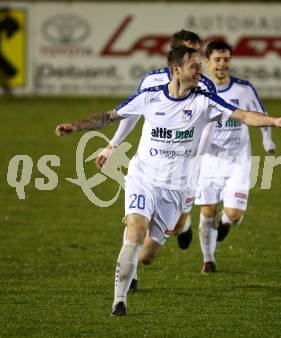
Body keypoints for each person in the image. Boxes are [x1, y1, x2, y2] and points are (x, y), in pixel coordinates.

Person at [55, 46, 281, 316]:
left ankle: (141, 255)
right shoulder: (150, 97)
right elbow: (110, 116)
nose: (200, 71)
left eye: (200, 66)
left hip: (176, 189)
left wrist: (273, 121)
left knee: (146, 257)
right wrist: (75, 127)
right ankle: (118, 301)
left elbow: (242, 115)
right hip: (143, 178)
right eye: (194, 66)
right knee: (134, 233)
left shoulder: (205, 101)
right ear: (176, 69)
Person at [56, 30, 215, 293]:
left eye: (199, 53)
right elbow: (129, 114)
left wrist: (200, 155)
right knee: (135, 219)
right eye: (192, 53)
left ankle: (184, 224)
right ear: (176, 57)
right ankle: (130, 275)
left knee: (174, 226)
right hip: (151, 164)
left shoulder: (203, 86)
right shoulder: (151, 83)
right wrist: (111, 146)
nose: (198, 59)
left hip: (187, 166)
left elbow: (210, 123)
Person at [194, 41, 274, 273]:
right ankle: (208, 260)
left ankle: (226, 222)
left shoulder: (243, 89)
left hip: (238, 161)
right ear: (207, 62)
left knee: (235, 214)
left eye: (226, 59)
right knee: (207, 209)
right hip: (208, 159)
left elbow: (261, 115)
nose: (222, 64)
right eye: (217, 60)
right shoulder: (198, 90)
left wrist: (268, 141)